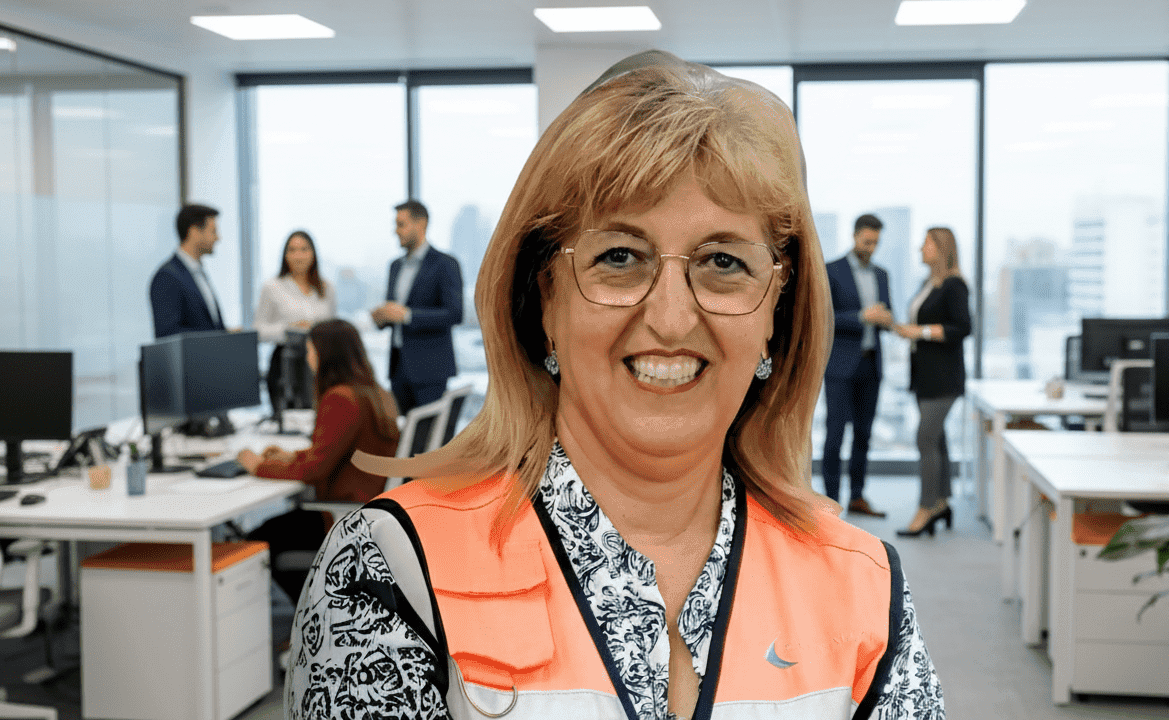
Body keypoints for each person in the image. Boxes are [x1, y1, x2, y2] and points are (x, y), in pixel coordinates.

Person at [285, 51, 944, 720]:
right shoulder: (394, 569)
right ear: (544, 302)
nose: (671, 318)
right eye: (619, 257)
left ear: (776, 311)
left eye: (723, 262)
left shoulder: (864, 587)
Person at [236, 319, 397, 604]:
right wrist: (292, 456)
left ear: (326, 355)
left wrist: (257, 466)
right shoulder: (375, 393)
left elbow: (314, 470)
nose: (308, 358)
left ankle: (318, 615)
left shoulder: (340, 398)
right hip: (367, 513)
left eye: (311, 350)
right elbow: (335, 452)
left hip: (340, 517)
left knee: (256, 539)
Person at [894, 228, 972, 538]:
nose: (920, 249)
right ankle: (941, 503)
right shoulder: (928, 284)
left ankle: (925, 509)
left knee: (925, 438)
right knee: (937, 439)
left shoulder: (954, 285)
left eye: (926, 244)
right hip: (924, 375)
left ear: (941, 248)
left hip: (944, 377)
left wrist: (920, 332)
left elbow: (962, 327)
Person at [821, 214, 896, 518]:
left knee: (863, 435)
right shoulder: (832, 271)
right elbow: (824, 316)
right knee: (835, 435)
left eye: (876, 242)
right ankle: (830, 502)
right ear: (854, 236)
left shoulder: (882, 275)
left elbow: (888, 314)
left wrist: (886, 319)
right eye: (867, 241)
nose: (871, 247)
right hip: (840, 366)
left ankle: (857, 497)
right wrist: (861, 317)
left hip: (870, 364)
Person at [370, 200, 464, 415]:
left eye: (401, 224)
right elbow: (395, 314)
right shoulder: (395, 266)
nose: (396, 231)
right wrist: (382, 317)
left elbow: (455, 313)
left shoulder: (445, 264)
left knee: (429, 434)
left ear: (421, 224)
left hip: (430, 370)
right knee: (399, 432)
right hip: (398, 368)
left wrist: (408, 315)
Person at [255, 230, 336, 415]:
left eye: (304, 249)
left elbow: (333, 327)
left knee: (323, 415)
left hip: (319, 360)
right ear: (285, 255)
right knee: (288, 420)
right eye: (292, 250)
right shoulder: (272, 287)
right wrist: (290, 329)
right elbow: (258, 330)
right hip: (286, 361)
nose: (298, 255)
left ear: (313, 254)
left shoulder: (326, 288)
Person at [149, 203, 226, 338]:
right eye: (213, 231)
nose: (218, 238)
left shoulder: (198, 273)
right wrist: (215, 338)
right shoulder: (167, 277)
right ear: (194, 232)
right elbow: (168, 333)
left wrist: (227, 335)